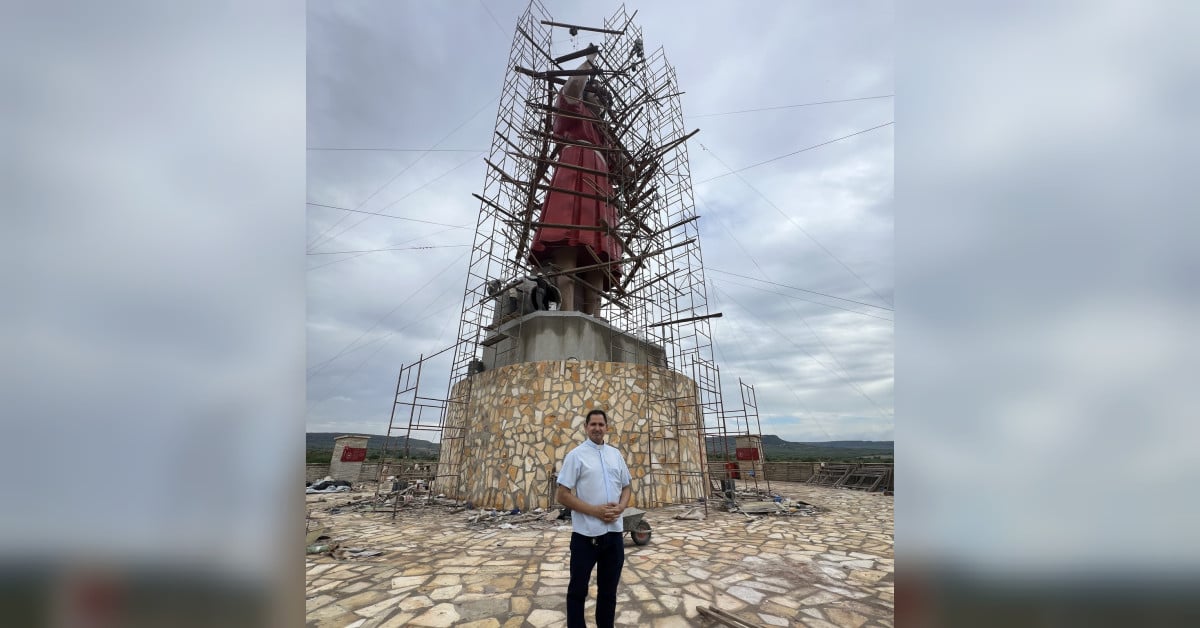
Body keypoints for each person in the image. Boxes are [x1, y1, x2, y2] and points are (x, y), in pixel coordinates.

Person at [529, 52, 623, 316]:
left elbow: (625, 171)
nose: (601, 100)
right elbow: (571, 89)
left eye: (605, 98)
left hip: (600, 188)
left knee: (598, 252)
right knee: (568, 237)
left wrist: (620, 152)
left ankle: (595, 317)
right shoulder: (575, 111)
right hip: (574, 173)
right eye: (597, 94)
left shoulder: (604, 135)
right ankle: (568, 311)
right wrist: (589, 61)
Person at [555, 409, 632, 628]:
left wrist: (621, 507)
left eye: (601, 424)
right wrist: (594, 511)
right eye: (593, 424)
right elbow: (562, 494)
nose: (597, 428)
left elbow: (627, 486)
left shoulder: (615, 455)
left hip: (614, 536)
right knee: (577, 592)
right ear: (586, 427)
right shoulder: (576, 456)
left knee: (609, 592)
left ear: (607, 427)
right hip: (585, 537)